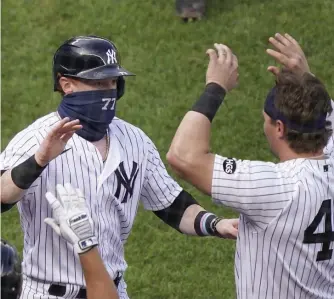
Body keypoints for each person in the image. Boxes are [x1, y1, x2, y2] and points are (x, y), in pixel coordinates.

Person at [0, 35, 238, 299]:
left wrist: (217, 224)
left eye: (112, 82)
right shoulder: (35, 139)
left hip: (113, 291)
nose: (108, 91)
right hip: (47, 293)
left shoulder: (135, 140)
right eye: (98, 82)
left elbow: (172, 205)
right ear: (66, 84)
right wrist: (39, 160)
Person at [167, 36, 334, 298]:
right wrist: (305, 80)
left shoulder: (276, 188)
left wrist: (215, 87)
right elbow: (326, 117)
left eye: (266, 120)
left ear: (280, 128)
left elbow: (183, 156)